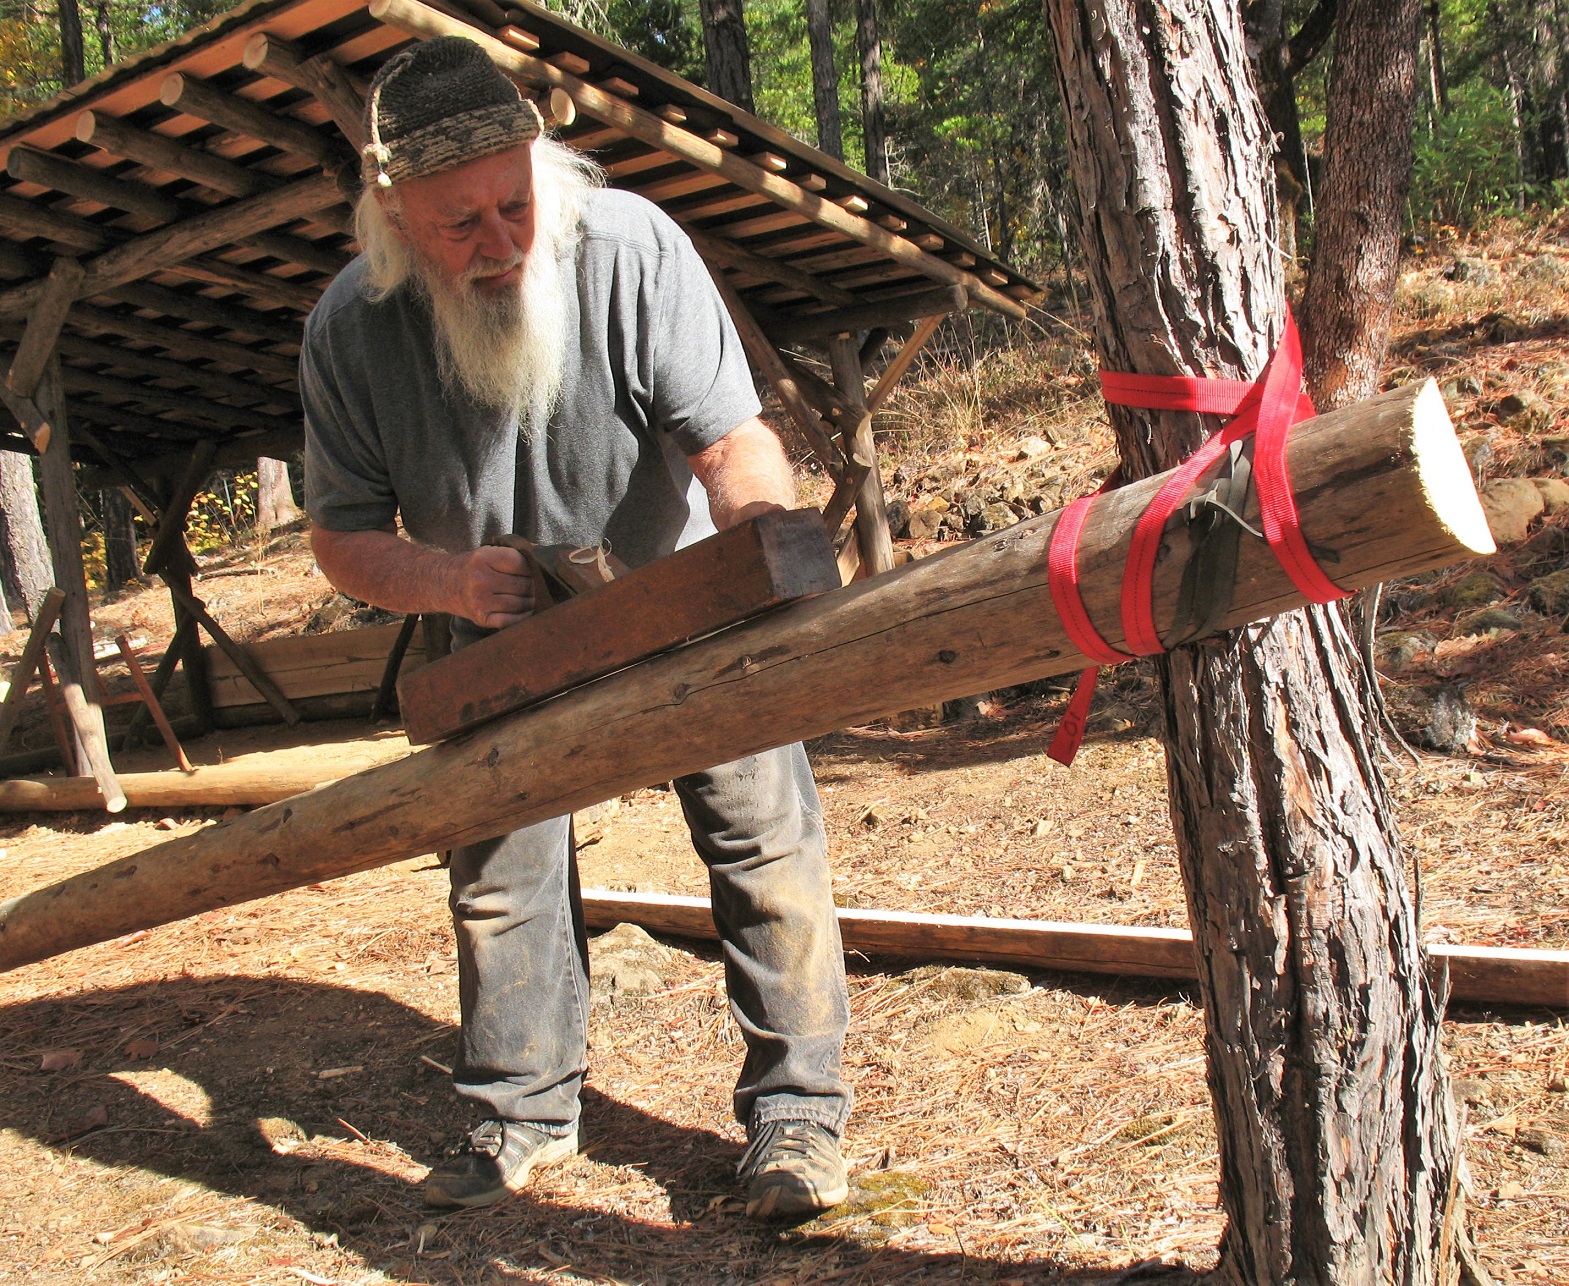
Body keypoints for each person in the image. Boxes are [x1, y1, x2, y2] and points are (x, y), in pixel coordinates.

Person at [300, 36, 852, 1219]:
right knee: (499, 882)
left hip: (679, 596)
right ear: (394, 213)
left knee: (764, 841)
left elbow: (731, 437)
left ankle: (799, 1116)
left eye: (517, 201)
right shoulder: (349, 330)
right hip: (493, 635)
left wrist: (761, 543)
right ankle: (518, 1113)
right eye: (461, 225)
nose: (501, 242)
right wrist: (448, 584)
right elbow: (340, 535)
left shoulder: (632, 245)